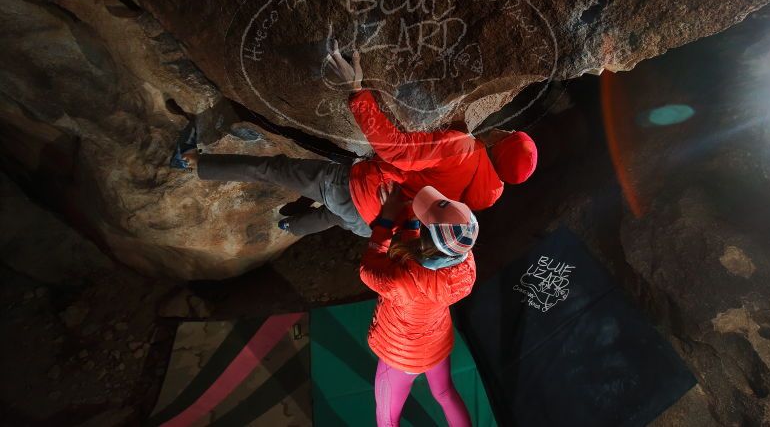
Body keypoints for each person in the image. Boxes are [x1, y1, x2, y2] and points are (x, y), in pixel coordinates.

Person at [180, 41, 537, 237]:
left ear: (500, 144)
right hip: (375, 225)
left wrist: (357, 91)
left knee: (273, 169)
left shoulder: (462, 148)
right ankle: (293, 227)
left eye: (508, 134)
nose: (504, 128)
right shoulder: (487, 196)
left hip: (357, 191)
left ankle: (196, 162)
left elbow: (396, 149)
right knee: (337, 219)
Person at [362, 184, 477, 427]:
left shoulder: (401, 279)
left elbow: (368, 268)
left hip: (401, 356)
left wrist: (387, 220)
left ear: (426, 238)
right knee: (445, 393)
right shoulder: (467, 267)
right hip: (437, 346)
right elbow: (431, 255)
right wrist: (414, 223)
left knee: (387, 417)